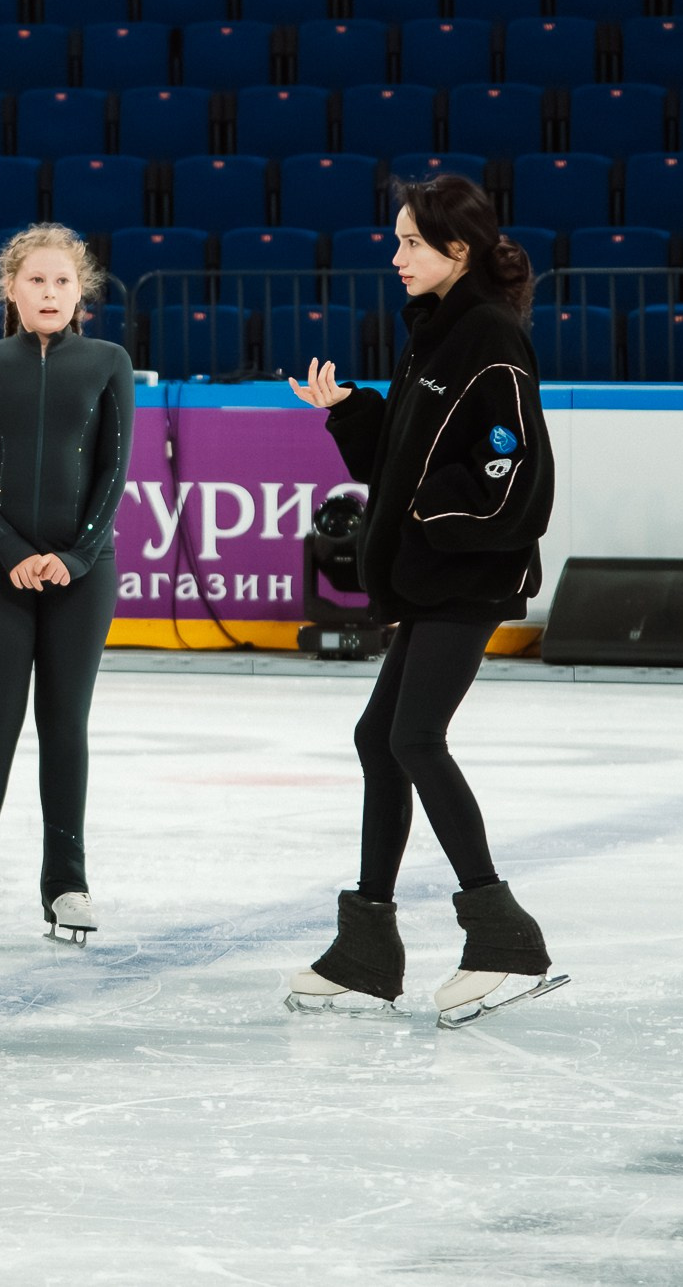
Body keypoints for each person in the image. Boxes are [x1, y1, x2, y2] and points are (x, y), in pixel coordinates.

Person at [283, 175, 562, 1029]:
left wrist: (429, 519)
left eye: (411, 242)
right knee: (381, 738)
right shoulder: (433, 332)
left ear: (458, 249)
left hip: (468, 574)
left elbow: (513, 467)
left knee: (412, 737)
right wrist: (349, 411)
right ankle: (367, 949)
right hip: (433, 576)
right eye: (397, 240)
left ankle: (504, 937)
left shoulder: (490, 335)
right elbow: (402, 460)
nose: (397, 256)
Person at [0, 226, 135, 948]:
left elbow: (114, 469)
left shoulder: (109, 361)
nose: (49, 293)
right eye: (35, 281)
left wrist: (78, 557)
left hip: (83, 576)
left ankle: (67, 885)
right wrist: (13, 550)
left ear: (81, 291)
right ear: (11, 289)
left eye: (62, 281)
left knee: (65, 726)